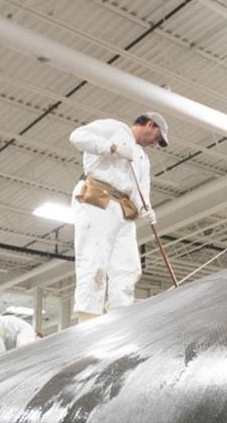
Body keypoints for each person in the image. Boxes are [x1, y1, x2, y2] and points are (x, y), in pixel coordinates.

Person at [68, 112, 169, 323]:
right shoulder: (113, 127)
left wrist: (146, 209)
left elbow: (141, 189)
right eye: (156, 137)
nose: (154, 143)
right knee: (94, 259)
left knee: (129, 266)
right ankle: (88, 320)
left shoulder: (142, 158)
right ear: (150, 125)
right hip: (98, 198)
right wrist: (111, 148)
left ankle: (120, 318)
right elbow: (77, 136)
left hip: (124, 208)